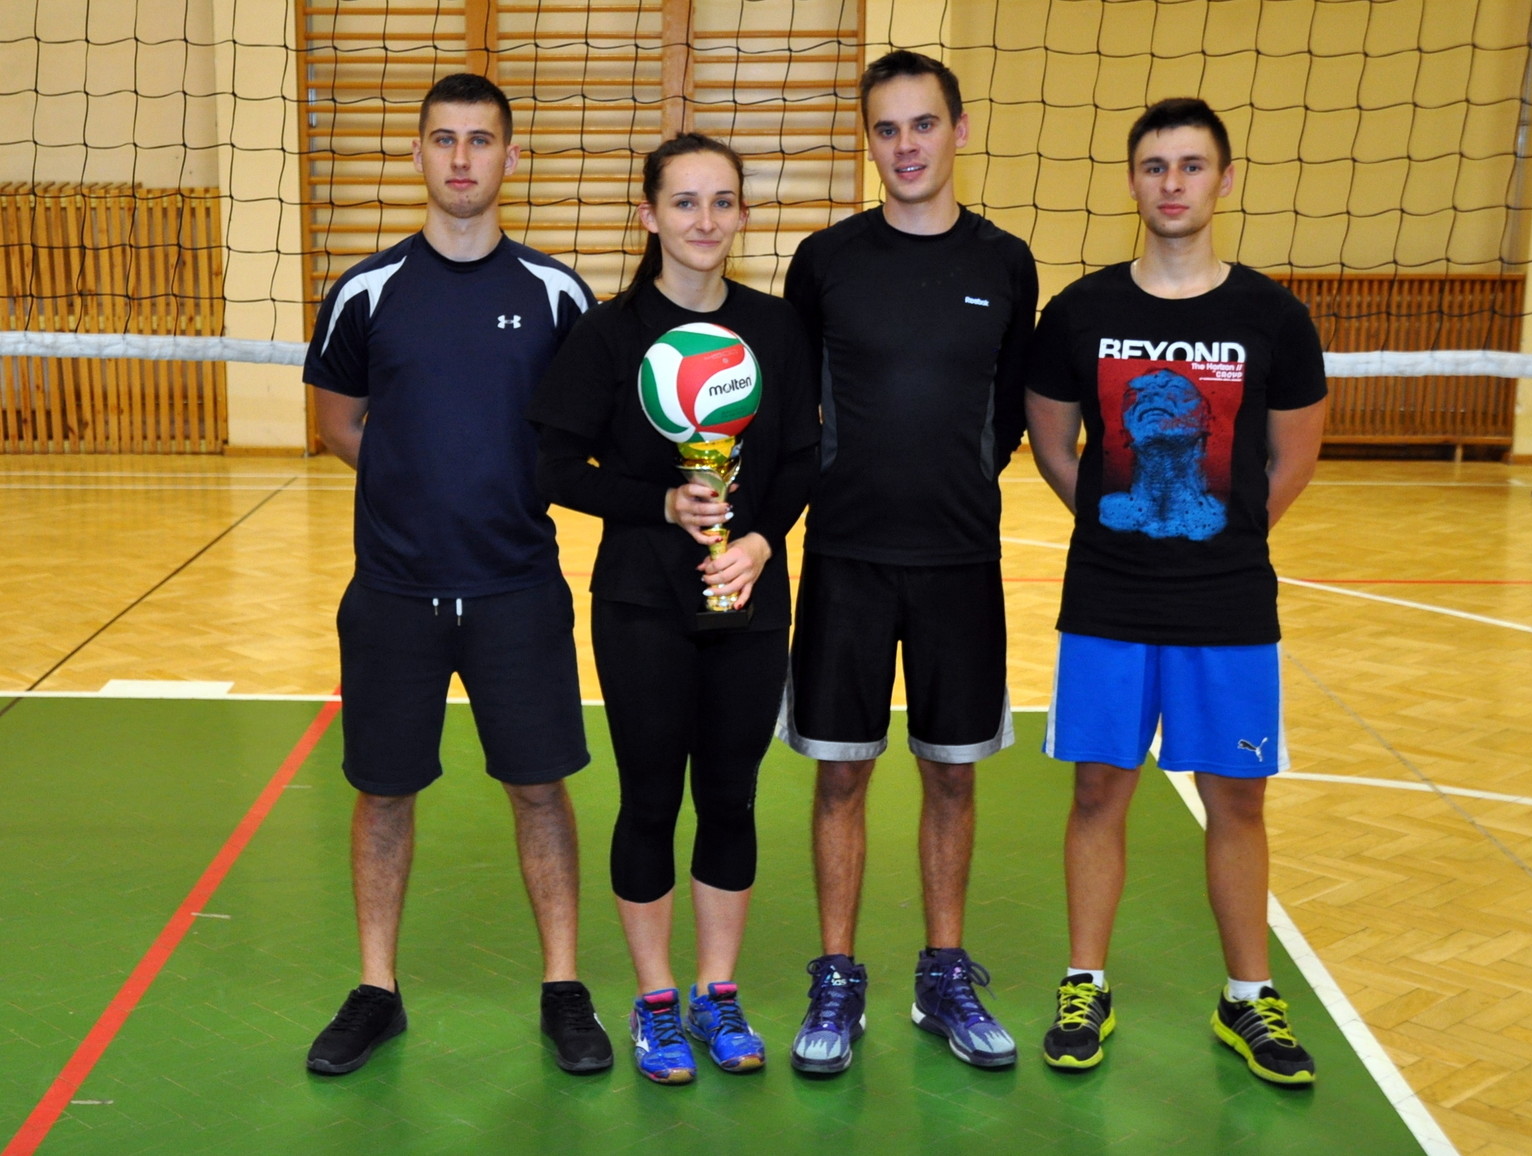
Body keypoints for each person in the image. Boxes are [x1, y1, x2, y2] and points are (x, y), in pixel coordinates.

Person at [301, 73, 612, 1077]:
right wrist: (416, 478)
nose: (463, 157)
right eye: (445, 138)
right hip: (394, 593)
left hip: (517, 587)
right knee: (384, 792)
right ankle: (376, 990)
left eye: (481, 140)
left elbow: (585, 431)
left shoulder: (559, 295)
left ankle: (563, 987)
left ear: (511, 157)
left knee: (540, 790)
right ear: (418, 153)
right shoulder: (367, 290)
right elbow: (338, 424)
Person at [1024, 97, 1327, 1085]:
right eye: (1155, 166)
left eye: (1192, 166)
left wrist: (1222, 538)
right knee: (1098, 789)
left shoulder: (1272, 318)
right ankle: (1084, 982)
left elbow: (1293, 457)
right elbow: (1051, 440)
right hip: (1107, 599)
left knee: (1235, 797)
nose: (1172, 183)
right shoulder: (1080, 313)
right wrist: (1116, 526)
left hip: (1228, 603)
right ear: (1132, 180)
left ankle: (1249, 996)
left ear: (1223, 180)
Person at [530, 133, 820, 1085]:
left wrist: (761, 539)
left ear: (743, 214)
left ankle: (716, 992)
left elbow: (799, 458)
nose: (705, 220)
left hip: (747, 592)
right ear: (649, 215)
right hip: (641, 599)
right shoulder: (609, 335)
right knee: (651, 797)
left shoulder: (776, 329)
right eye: (685, 202)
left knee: (731, 795)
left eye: (722, 201)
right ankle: (655, 1000)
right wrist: (657, 503)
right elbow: (554, 467)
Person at [778, 50, 1038, 1073]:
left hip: (958, 558)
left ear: (958, 129)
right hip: (845, 555)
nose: (906, 146)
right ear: (869, 141)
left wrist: (958, 479)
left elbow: (1010, 407)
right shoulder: (825, 260)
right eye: (885, 129)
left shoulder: (1006, 263)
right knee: (841, 773)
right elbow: (797, 401)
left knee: (951, 775)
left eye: (923, 124)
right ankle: (837, 976)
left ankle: (942, 974)